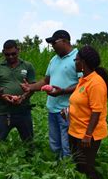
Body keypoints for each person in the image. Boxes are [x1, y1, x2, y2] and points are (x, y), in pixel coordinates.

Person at [20, 30, 79, 159]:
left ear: (65, 41)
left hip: (68, 109)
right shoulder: (54, 59)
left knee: (67, 145)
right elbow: (46, 80)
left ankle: (68, 171)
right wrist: (31, 87)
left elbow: (83, 84)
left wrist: (62, 91)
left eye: (54, 42)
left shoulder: (78, 57)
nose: (52, 46)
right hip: (52, 108)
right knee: (54, 144)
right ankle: (57, 168)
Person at [67, 45, 108, 179]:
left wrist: (88, 135)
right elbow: (79, 103)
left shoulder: (96, 83)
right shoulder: (83, 80)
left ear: (83, 62)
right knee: (78, 165)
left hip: (87, 135)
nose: (75, 62)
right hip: (74, 131)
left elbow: (96, 111)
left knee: (86, 167)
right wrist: (67, 111)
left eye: (76, 60)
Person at [0, 40, 36, 149]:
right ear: (3, 52)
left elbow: (33, 87)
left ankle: (31, 161)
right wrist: (3, 97)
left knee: (29, 143)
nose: (10, 57)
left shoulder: (27, 66)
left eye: (13, 54)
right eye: (7, 54)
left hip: (23, 111)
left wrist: (23, 98)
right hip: (4, 112)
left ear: (18, 50)